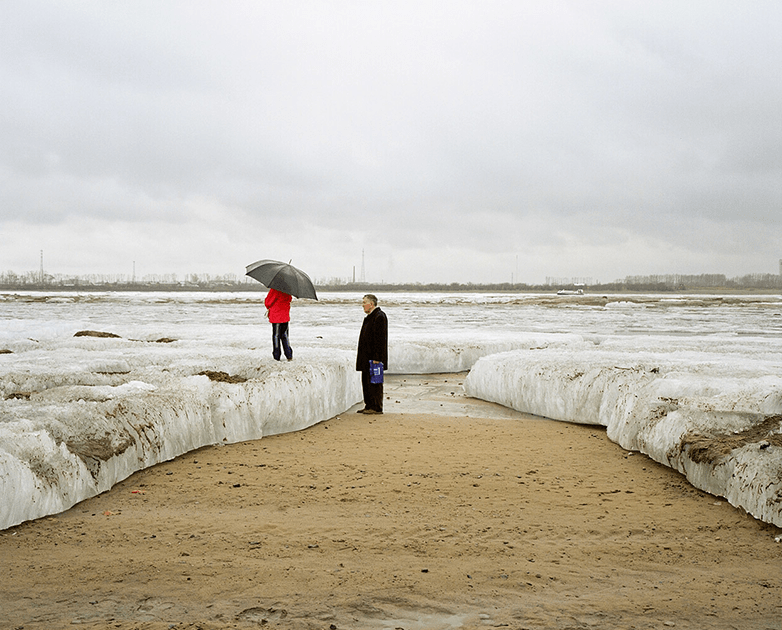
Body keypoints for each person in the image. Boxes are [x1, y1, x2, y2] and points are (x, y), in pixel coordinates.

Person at [356, 293, 388, 414]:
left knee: (375, 382)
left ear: (371, 304)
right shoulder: (370, 317)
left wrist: (377, 357)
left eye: (364, 303)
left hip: (374, 357)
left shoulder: (379, 316)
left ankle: (376, 407)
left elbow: (380, 339)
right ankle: (368, 405)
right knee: (366, 381)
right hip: (366, 356)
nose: (363, 305)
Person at [264, 288, 293, 361]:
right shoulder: (288, 289)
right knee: (284, 335)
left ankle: (276, 355)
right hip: (285, 316)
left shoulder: (275, 289)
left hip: (276, 316)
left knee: (276, 336)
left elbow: (268, 302)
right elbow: (289, 299)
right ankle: (288, 354)